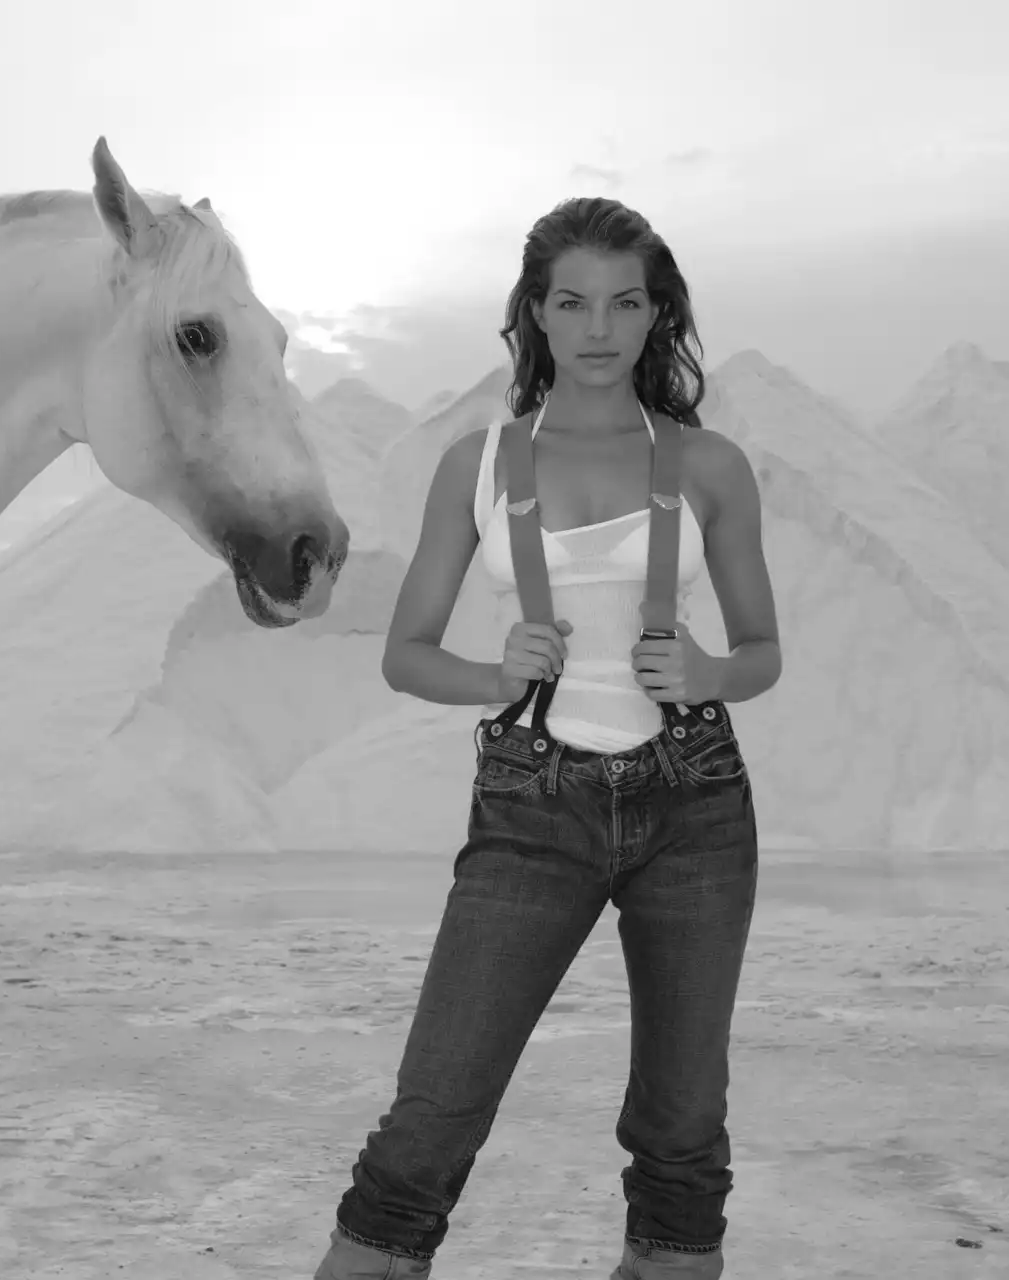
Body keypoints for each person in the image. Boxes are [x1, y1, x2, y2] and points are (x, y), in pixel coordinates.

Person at [312, 196, 781, 1280]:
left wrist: (710, 670)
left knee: (681, 1119)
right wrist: (494, 673)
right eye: (572, 301)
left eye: (625, 301)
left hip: (696, 804)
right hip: (533, 803)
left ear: (657, 311)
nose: (600, 327)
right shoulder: (477, 463)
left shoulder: (710, 466)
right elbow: (405, 652)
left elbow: (761, 649)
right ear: (536, 313)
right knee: (433, 1109)